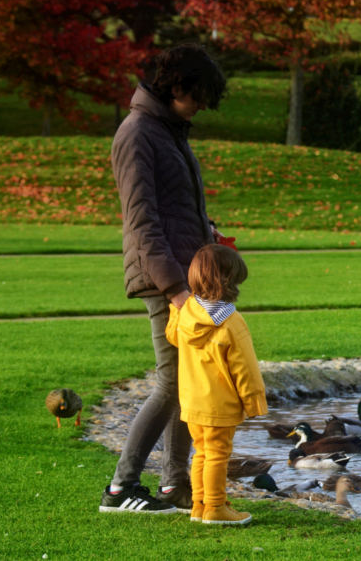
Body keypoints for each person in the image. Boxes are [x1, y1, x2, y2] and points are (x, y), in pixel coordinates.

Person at [100, 43, 228, 514]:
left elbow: (177, 205)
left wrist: (208, 232)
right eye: (197, 97)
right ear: (176, 87)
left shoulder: (169, 131)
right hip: (164, 280)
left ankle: (176, 487)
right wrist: (176, 290)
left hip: (186, 273)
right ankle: (120, 489)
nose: (200, 108)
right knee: (172, 383)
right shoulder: (136, 134)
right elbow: (143, 222)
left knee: (187, 383)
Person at [166, 244, 267, 525]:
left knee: (201, 452)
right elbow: (245, 369)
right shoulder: (230, 322)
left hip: (191, 402)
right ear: (229, 281)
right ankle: (216, 507)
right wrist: (254, 402)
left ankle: (199, 505)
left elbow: (173, 337)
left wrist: (174, 311)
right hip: (219, 405)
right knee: (218, 455)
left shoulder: (186, 313)